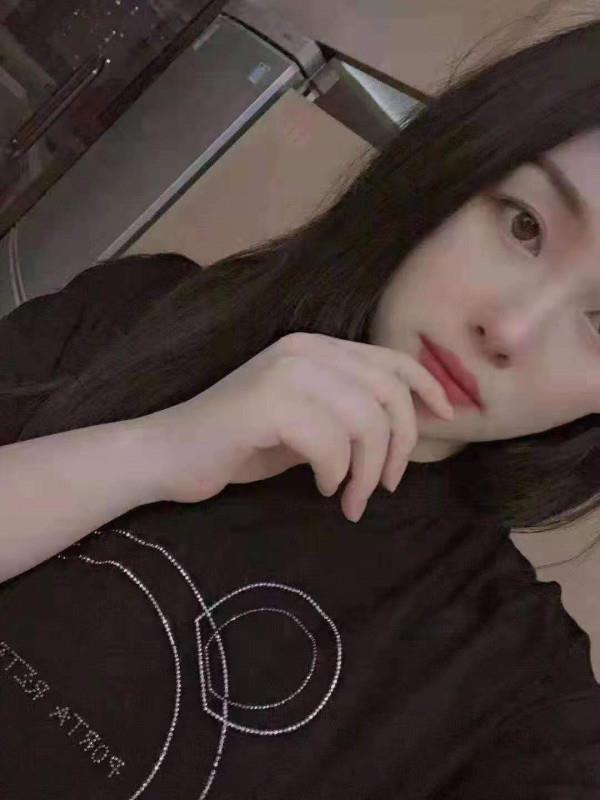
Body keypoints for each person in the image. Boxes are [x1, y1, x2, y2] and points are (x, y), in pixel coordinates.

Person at [1, 16, 600, 799]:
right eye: (524, 225)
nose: (510, 329)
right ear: (456, 170)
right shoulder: (140, 310)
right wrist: (155, 450)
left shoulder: (512, 684)